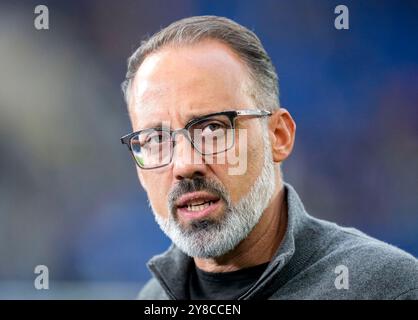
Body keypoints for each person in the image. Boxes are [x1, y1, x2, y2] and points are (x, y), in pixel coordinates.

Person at [120, 15, 418, 299]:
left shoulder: (389, 288)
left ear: (278, 136)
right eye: (156, 140)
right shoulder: (153, 297)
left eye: (212, 128)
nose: (185, 165)